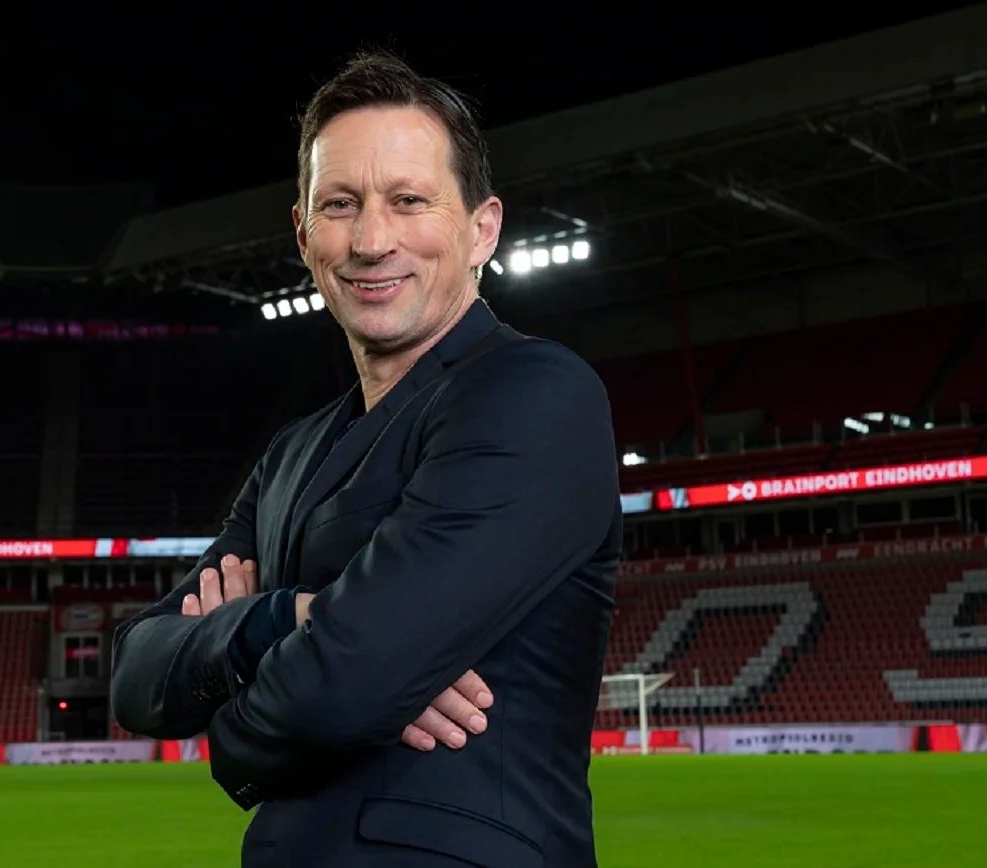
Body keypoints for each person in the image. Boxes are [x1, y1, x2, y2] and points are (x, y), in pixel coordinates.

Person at [111, 48, 622, 868]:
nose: (371, 240)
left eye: (408, 201)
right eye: (340, 204)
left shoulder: (534, 392)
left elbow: (343, 689)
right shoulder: (291, 452)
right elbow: (135, 675)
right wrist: (283, 619)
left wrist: (233, 719)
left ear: (482, 228)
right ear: (303, 233)